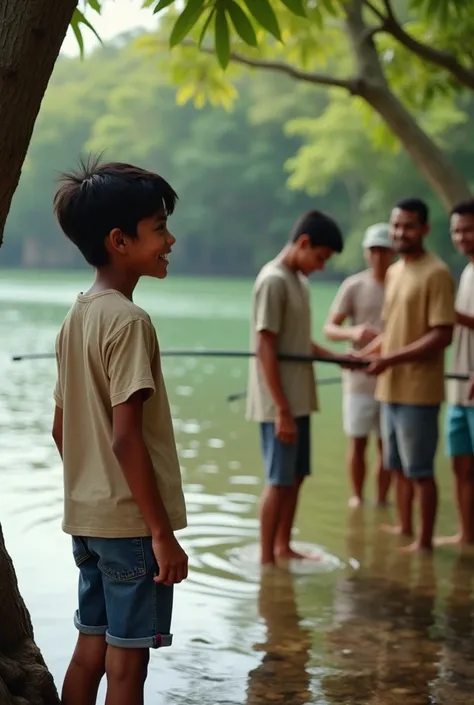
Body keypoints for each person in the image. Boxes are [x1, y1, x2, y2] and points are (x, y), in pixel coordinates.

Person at [51, 158, 188, 705]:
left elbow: (61, 429)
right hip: (131, 526)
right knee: (128, 665)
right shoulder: (130, 322)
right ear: (119, 240)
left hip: (88, 521)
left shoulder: (77, 316)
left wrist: (93, 491)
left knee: (90, 649)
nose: (169, 239)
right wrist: (160, 532)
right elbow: (126, 437)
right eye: (158, 229)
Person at [356, 198, 455, 552]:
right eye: (396, 225)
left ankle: (424, 542)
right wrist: (365, 355)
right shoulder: (395, 271)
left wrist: (391, 359)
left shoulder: (437, 272)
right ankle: (403, 526)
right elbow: (396, 330)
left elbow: (442, 333)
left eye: (408, 226)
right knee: (395, 464)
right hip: (388, 388)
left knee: (420, 471)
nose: (400, 232)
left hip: (419, 391)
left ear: (425, 230)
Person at [246, 209, 344, 566]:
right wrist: (281, 409)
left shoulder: (298, 281)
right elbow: (265, 346)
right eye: (319, 257)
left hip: (299, 399)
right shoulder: (272, 280)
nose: (320, 266)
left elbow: (301, 342)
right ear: (304, 243)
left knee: (296, 476)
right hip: (280, 404)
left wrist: (341, 358)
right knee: (278, 479)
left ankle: (284, 546)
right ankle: (267, 559)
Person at [324, 223, 395, 508]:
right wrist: (352, 333)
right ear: (366, 253)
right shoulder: (354, 285)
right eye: (373, 250)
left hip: (393, 376)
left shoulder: (401, 283)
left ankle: (381, 499)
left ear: (393, 253)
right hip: (359, 378)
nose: (378, 256)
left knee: (386, 444)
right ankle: (357, 497)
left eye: (384, 250)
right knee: (358, 440)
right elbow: (330, 328)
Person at [439, 199, 474, 546]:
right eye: (457, 231)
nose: (462, 237)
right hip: (458, 389)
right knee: (460, 466)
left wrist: (448, 312)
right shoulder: (466, 272)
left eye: (469, 229)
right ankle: (466, 534)